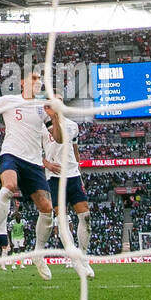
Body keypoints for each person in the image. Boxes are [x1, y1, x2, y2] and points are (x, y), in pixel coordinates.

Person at [0, 72, 62, 280]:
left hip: (34, 162)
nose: (37, 82)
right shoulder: (9, 100)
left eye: (40, 80)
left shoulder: (43, 107)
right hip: (11, 154)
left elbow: (59, 138)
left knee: (47, 208)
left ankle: (38, 254)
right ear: (22, 82)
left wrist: (55, 117)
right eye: (34, 78)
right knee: (9, 186)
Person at [43, 113, 94, 277]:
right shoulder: (41, 127)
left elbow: (74, 149)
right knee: (62, 219)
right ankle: (74, 258)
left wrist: (80, 172)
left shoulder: (73, 125)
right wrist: (47, 164)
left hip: (73, 175)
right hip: (54, 177)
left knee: (85, 216)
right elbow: (34, 153)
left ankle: (83, 256)